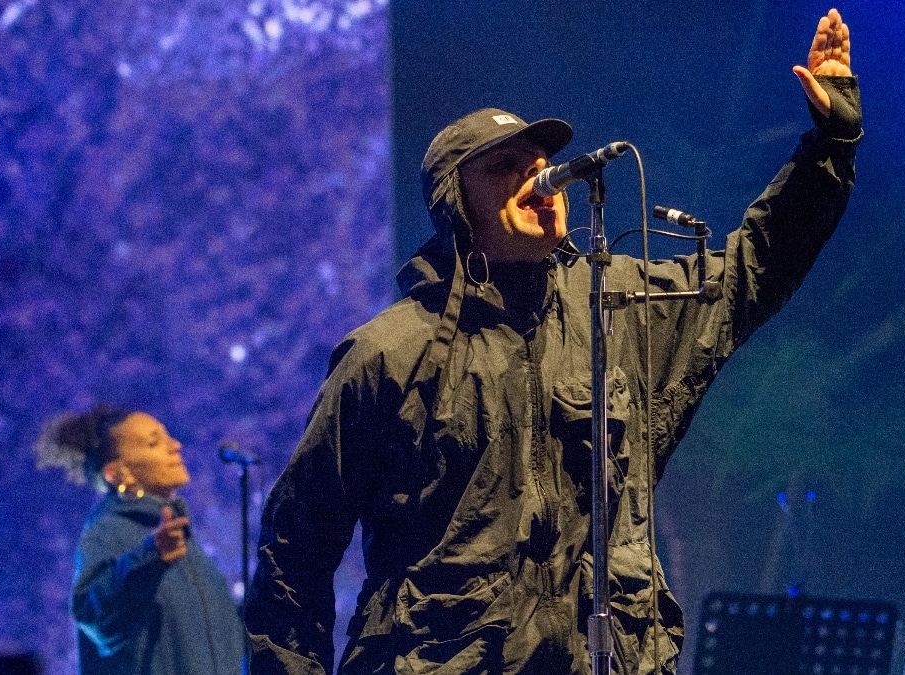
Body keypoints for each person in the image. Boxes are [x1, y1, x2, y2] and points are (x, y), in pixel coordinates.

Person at [245, 8, 861, 674]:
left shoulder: (619, 309)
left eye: (543, 161)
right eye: (506, 166)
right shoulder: (388, 353)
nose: (540, 176)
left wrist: (830, 143)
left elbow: (750, 270)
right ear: (456, 202)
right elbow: (293, 554)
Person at [35, 403, 245, 675]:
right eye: (154, 442)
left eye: (169, 437)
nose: (176, 446)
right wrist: (149, 557)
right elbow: (94, 614)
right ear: (117, 473)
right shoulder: (110, 531)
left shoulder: (181, 542)